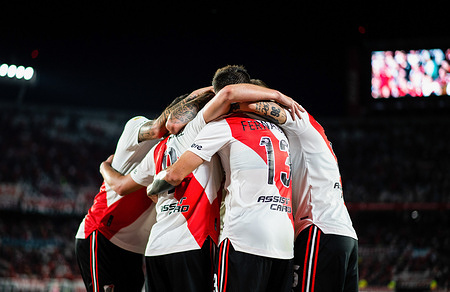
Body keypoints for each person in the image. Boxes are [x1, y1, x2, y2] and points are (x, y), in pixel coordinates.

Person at [147, 65, 299, 292]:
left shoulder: (222, 126)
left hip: (243, 236)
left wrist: (152, 189)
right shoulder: (284, 130)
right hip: (284, 240)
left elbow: (174, 164)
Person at [75, 86, 214, 292]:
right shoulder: (137, 127)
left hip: (136, 249)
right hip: (102, 233)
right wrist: (213, 90)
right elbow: (158, 128)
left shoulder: (188, 148)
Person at [230, 84, 359, 292]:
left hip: (319, 229)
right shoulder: (316, 135)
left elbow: (250, 104)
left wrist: (228, 104)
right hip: (345, 234)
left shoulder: (298, 118)